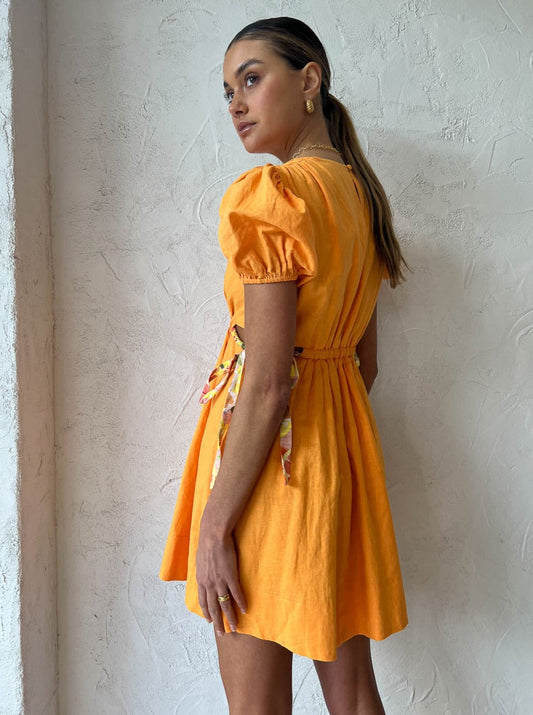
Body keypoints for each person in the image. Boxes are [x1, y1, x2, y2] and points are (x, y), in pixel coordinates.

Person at [160, 16, 409, 714]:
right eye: (227, 91)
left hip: (267, 470)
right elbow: (363, 365)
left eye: (250, 78)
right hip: (336, 463)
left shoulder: (274, 197)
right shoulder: (359, 199)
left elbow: (269, 384)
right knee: (353, 697)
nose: (235, 103)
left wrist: (217, 524)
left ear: (309, 80)